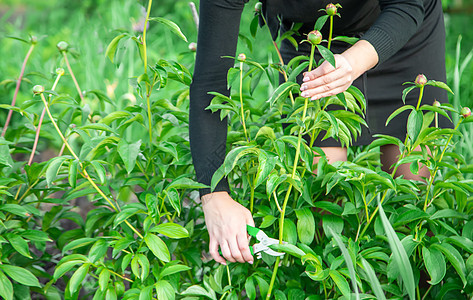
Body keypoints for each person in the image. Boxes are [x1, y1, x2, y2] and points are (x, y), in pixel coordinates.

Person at [189, 0, 450, 265]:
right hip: (312, 48)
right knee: (320, 199)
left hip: (399, 32)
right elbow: (211, 82)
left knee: (413, 205)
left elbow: (408, 4)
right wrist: (214, 196)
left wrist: (352, 62)